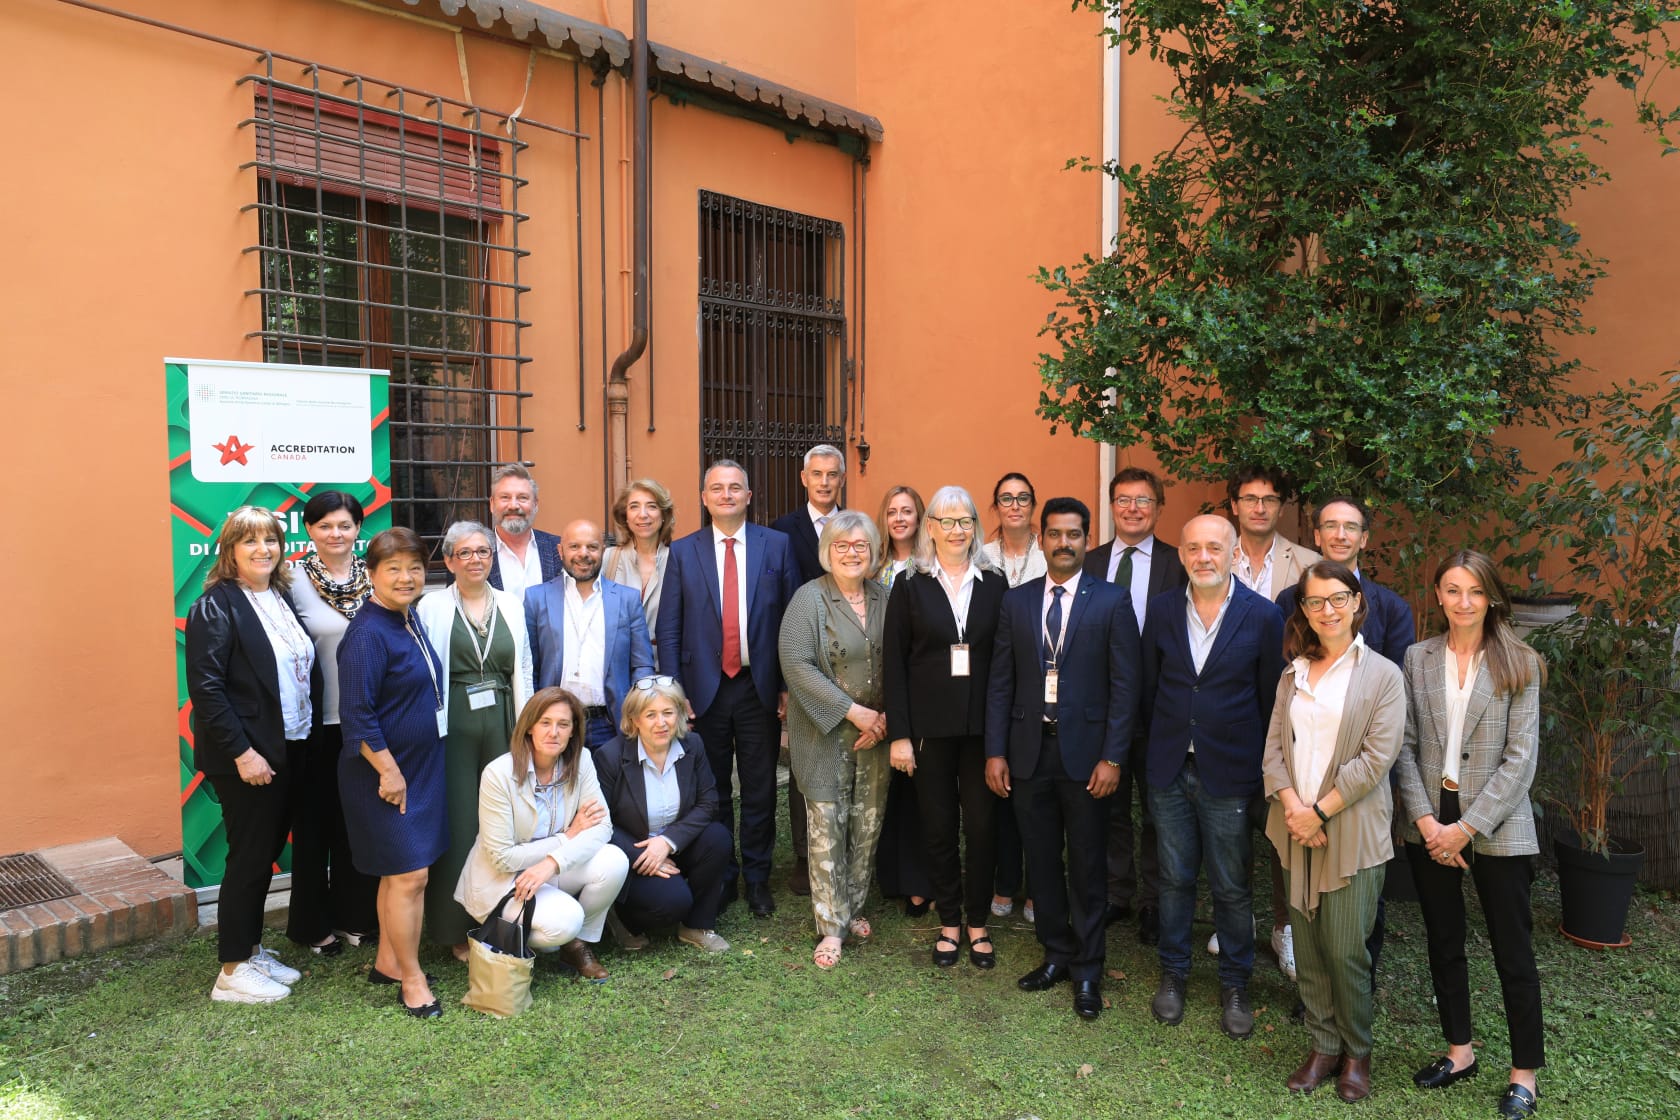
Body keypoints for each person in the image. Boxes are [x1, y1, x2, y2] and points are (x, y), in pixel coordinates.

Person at [1395, 551, 1546, 1120]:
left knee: (1513, 951)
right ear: (1438, 595)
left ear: (1492, 597)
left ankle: (1524, 1074)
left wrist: (1465, 828)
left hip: (1496, 822)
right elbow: (1404, 746)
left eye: (1475, 591)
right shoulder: (1417, 657)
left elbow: (1521, 760)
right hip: (1431, 821)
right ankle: (1460, 1052)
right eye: (1453, 590)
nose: (1464, 602)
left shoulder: (1520, 661)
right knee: (1444, 940)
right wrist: (1426, 821)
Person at [986, 497, 1138, 1020]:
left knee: (1089, 864)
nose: (1064, 543)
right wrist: (996, 750)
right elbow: (1000, 682)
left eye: (1074, 534)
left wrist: (1113, 757)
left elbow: (1126, 687)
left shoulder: (1112, 601)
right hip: (1029, 753)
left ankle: (1088, 967)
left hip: (1088, 758)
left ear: (1086, 539)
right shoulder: (1017, 601)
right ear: (1043, 539)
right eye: (1054, 534)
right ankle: (1056, 953)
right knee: (1042, 861)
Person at [1262, 562, 1405, 1102]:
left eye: (1338, 598)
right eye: (1315, 601)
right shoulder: (1293, 674)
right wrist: (1294, 809)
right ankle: (1323, 1046)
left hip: (1349, 829)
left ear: (1357, 602)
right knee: (1309, 945)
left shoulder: (1383, 675)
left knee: (1345, 949)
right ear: (1303, 609)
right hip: (1295, 826)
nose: (1328, 610)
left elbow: (1375, 760)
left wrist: (1317, 814)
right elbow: (1273, 752)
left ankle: (1356, 1051)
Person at [1140, 514, 1285, 1039]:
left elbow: (1271, 701)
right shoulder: (1161, 610)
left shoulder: (1264, 616)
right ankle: (1174, 973)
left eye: (1214, 548)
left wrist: (1264, 773)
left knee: (1231, 885)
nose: (1203, 557)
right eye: (1194, 548)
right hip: (1170, 769)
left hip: (1230, 771)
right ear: (1182, 555)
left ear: (1233, 554)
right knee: (1175, 879)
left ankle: (1235, 983)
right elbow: (1150, 689)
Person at [1274, 494, 1415, 985]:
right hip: (1301, 778)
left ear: (1364, 538)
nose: (1339, 534)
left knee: (1361, 887)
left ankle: (1359, 982)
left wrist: (1331, 802)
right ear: (1316, 536)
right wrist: (1299, 805)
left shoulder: (1391, 609)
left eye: (1350, 527)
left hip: (1361, 782)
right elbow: (1283, 686)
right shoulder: (1289, 601)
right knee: (1300, 880)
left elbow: (1393, 695)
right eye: (1329, 526)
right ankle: (1311, 987)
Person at [186, 506, 319, 1003]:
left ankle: (251, 949)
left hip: (287, 744)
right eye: (250, 541)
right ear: (230, 550)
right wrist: (243, 753)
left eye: (271, 540)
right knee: (249, 858)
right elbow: (207, 689)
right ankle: (232, 970)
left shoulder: (277, 596)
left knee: (264, 854)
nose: (263, 549)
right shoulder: (215, 606)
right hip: (246, 757)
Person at [657, 460, 801, 918]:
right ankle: (723, 877)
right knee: (713, 789)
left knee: (760, 788)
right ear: (704, 498)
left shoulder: (776, 545)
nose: (726, 495)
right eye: (717, 489)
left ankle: (757, 879)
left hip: (759, 687)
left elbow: (792, 621)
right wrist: (675, 692)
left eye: (735, 487)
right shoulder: (684, 552)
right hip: (704, 691)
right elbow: (670, 627)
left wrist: (786, 684)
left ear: (748, 496)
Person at [884, 486, 1007, 968]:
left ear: (975, 526)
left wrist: (1002, 736)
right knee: (937, 827)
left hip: (981, 730)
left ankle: (978, 921)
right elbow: (895, 664)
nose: (957, 530)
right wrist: (899, 734)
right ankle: (950, 922)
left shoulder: (994, 583)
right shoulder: (909, 585)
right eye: (947, 521)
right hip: (928, 730)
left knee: (981, 826)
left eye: (965, 521)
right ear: (930, 528)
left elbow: (1005, 662)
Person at [337, 527, 450, 1019]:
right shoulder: (367, 634)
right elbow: (357, 715)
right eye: (394, 569)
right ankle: (412, 978)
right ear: (371, 574)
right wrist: (388, 771)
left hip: (417, 766)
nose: (406, 577)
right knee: (410, 875)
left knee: (400, 875)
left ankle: (388, 961)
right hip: (383, 774)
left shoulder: (407, 617)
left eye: (415, 568)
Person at [415, 521, 534, 960]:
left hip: (503, 721)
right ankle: (453, 928)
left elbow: (523, 667)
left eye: (483, 551)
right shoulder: (431, 606)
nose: (475, 560)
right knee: (460, 822)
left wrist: (526, 727)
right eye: (464, 553)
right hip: (454, 729)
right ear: (449, 561)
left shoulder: (511, 604)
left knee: (501, 822)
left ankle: (502, 920)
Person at [454, 688, 629, 981]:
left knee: (614, 861)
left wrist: (552, 863)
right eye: (545, 722)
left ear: (573, 731)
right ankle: (512, 937)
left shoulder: (581, 761)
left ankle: (576, 945)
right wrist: (565, 838)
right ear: (529, 727)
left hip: (549, 869)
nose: (553, 732)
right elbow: (501, 857)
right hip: (505, 880)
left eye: (563, 724)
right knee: (565, 921)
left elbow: (602, 827)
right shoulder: (498, 774)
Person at [779, 511, 890, 969]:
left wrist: (884, 719)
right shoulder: (808, 599)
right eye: (842, 545)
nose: (851, 553)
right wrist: (854, 713)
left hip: (877, 735)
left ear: (873, 551)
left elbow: (905, 660)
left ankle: (853, 907)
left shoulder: (885, 598)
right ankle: (830, 927)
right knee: (827, 826)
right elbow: (797, 665)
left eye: (860, 545)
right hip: (824, 734)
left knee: (867, 825)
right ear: (828, 551)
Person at [1083, 466, 1187, 942]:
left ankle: (1155, 902)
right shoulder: (1089, 563)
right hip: (1103, 708)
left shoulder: (1178, 564)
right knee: (1110, 806)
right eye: (1123, 499)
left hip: (1162, 709)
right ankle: (1115, 892)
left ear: (1159, 508)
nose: (1132, 509)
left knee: (1159, 810)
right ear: (1111, 507)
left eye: (1143, 500)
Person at [1224, 465, 1321, 968]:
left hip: (1289, 713)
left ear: (1282, 507)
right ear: (1234, 506)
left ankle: (1285, 927)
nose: (1259, 507)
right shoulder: (1212, 555)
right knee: (1229, 820)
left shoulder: (1308, 564)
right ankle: (1238, 920)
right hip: (1228, 709)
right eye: (1249, 498)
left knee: (1285, 824)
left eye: (1269, 499)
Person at [285, 490, 379, 956]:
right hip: (316, 724)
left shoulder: (375, 576)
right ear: (309, 530)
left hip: (366, 721)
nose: (335, 534)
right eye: (324, 526)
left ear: (358, 528)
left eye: (344, 525)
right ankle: (311, 925)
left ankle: (354, 916)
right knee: (313, 826)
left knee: (356, 824)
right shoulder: (290, 580)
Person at [595, 676, 734, 954]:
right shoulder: (609, 757)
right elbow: (600, 821)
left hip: (675, 844)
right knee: (672, 904)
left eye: (668, 713)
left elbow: (708, 803)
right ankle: (619, 917)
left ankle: (696, 925)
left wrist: (667, 842)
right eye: (651, 715)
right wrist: (645, 855)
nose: (661, 723)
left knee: (718, 838)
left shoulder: (693, 745)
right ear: (634, 719)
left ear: (679, 714)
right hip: (635, 853)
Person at [769, 444, 849, 897]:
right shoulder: (782, 531)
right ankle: (804, 855)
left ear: (841, 479)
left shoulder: (855, 526)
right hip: (803, 662)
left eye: (832, 474)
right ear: (804, 478)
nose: (824, 482)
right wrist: (785, 680)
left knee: (848, 759)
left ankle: (845, 849)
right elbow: (780, 603)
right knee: (805, 758)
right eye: (816, 474)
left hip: (849, 659)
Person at [525, 519, 655, 753]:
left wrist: (637, 712)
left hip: (610, 723)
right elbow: (530, 667)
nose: (583, 554)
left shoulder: (627, 599)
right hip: (555, 723)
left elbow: (642, 665)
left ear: (603, 551)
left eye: (592, 547)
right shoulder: (537, 598)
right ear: (560, 551)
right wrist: (536, 717)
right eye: (574, 546)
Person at [979, 471, 1043, 921]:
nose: (1015, 505)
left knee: (1038, 788)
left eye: (1023, 498)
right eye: (1006, 498)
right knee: (1001, 787)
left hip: (1042, 681)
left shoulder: (1049, 554)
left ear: (1033, 505)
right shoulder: (981, 557)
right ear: (996, 507)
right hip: (995, 677)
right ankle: (1004, 881)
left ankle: (1038, 885)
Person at [870, 484, 929, 913]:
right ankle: (886, 875)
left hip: (915, 686)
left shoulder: (928, 568)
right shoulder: (874, 568)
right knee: (880, 788)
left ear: (920, 517)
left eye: (907, 511)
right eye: (892, 512)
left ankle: (917, 880)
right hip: (872, 686)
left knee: (914, 788)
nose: (900, 519)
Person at [602, 479, 675, 652]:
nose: (643, 514)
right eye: (634, 506)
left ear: (663, 515)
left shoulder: (678, 561)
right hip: (616, 662)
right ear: (625, 516)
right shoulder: (608, 559)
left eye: (652, 506)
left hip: (664, 663)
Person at [485, 463, 562, 598]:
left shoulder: (558, 548)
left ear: (535, 504)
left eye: (522, 498)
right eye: (505, 497)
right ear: (492, 504)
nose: (513, 506)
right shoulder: (475, 553)